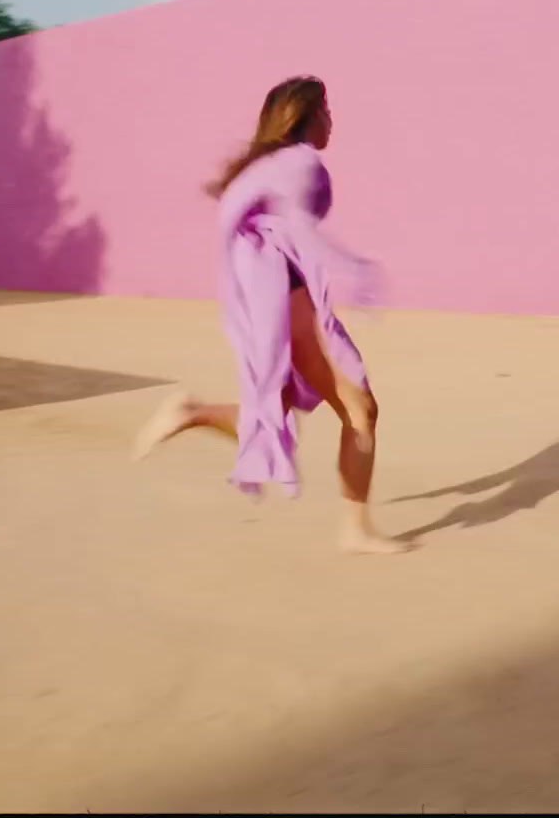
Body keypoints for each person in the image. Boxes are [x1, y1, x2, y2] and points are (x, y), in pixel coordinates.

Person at [132, 75, 414, 554]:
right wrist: (355, 267)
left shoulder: (268, 165)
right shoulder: (303, 163)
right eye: (326, 109)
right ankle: (355, 531)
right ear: (305, 116)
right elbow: (299, 229)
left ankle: (191, 412)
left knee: (282, 412)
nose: (332, 120)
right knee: (360, 410)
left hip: (273, 296)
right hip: (288, 295)